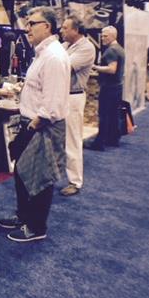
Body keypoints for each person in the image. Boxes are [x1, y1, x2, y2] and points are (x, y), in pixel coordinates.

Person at [0, 6, 70, 242]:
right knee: (22, 173)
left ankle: (36, 227)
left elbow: (54, 100)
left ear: (47, 26)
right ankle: (23, 216)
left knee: (39, 178)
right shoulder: (43, 54)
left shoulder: (54, 56)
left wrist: (35, 123)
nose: (27, 28)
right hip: (33, 122)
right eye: (27, 23)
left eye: (32, 23)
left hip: (42, 125)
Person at [59, 16, 96, 197]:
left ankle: (75, 181)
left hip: (73, 97)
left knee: (72, 141)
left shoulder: (86, 47)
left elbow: (63, 67)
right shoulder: (66, 46)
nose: (61, 30)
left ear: (76, 30)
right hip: (61, 96)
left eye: (65, 28)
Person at [87, 26, 125, 150]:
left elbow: (111, 69)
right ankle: (113, 139)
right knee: (114, 114)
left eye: (105, 36)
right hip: (117, 87)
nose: (102, 38)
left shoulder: (111, 50)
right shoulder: (120, 49)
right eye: (102, 35)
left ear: (113, 36)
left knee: (104, 115)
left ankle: (99, 142)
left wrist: (95, 67)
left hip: (109, 87)